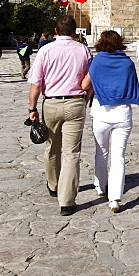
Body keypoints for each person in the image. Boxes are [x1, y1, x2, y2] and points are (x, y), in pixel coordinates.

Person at [27, 16, 92, 216]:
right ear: (75, 32)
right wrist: (85, 99)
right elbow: (91, 77)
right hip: (75, 103)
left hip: (52, 103)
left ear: (56, 31)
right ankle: (67, 202)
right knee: (71, 153)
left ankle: (53, 185)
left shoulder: (45, 50)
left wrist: (32, 109)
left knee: (51, 147)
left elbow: (36, 83)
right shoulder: (83, 50)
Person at [81, 30, 139, 213]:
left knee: (102, 152)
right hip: (122, 113)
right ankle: (115, 198)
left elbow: (85, 85)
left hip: (101, 113)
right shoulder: (127, 63)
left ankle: (100, 186)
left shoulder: (98, 61)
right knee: (119, 156)